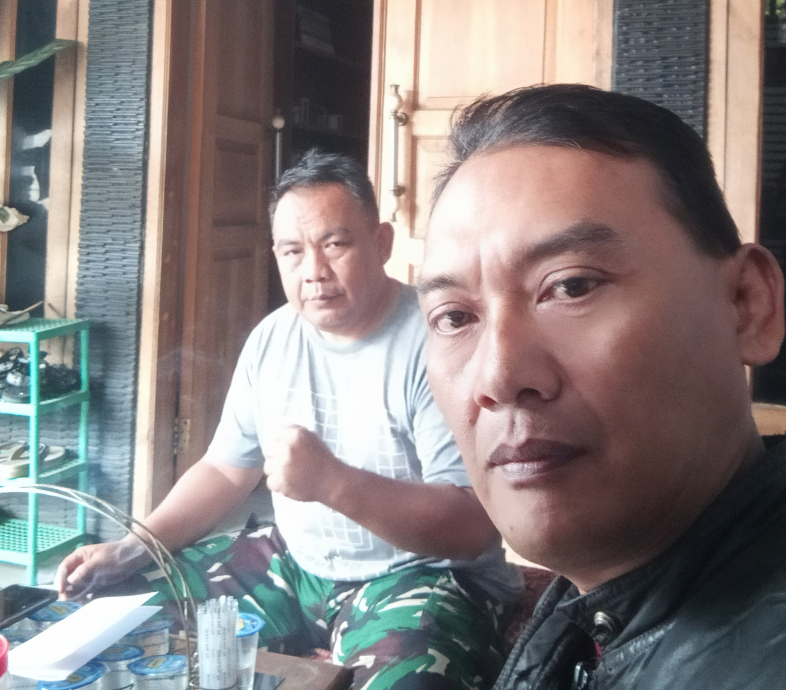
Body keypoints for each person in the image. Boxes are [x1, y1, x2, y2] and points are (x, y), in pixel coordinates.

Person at [56, 150, 521, 690]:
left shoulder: (441, 341)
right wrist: (132, 547)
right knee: (120, 616)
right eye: (293, 252)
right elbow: (226, 470)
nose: (314, 272)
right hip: (295, 561)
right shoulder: (273, 338)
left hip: (419, 573)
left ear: (382, 243)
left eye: (335, 245)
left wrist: (332, 482)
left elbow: (471, 526)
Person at [416, 84, 786, 690]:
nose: (498, 378)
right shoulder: (599, 610)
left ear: (747, 303)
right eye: (455, 317)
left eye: (571, 286)